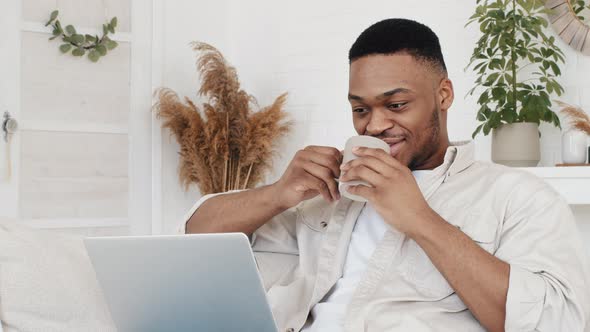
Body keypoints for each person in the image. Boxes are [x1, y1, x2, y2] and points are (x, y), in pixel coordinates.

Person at [179, 18, 590, 332]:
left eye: (395, 105)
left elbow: (555, 322)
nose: (374, 126)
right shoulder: (327, 194)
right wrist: (279, 193)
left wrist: (418, 217)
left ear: (443, 95)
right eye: (361, 109)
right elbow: (196, 237)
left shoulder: (516, 197)